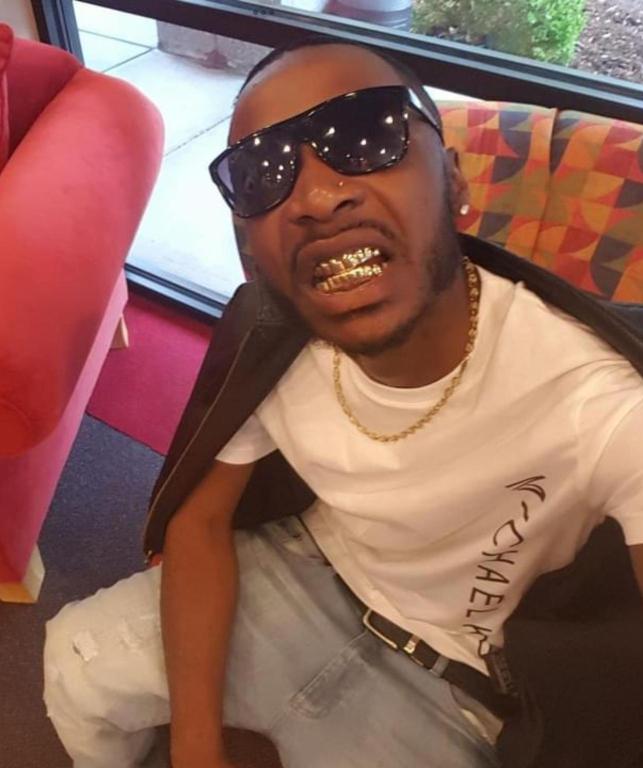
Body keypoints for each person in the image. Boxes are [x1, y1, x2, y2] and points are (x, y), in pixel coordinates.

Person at [43, 37, 643, 768]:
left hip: (461, 682)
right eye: (263, 173)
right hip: (302, 572)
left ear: (454, 182)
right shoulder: (269, 339)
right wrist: (195, 749)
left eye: (365, 136)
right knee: (72, 664)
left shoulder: (601, 398)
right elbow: (200, 520)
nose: (318, 198)